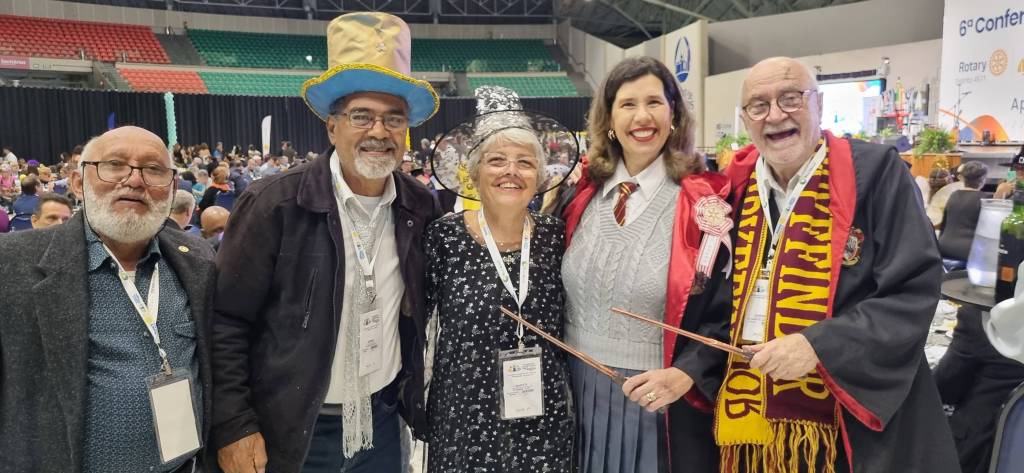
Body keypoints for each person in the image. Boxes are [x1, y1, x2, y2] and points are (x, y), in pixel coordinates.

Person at [211, 12, 442, 473]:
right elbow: (226, 320)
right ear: (332, 127)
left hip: (383, 420)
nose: (379, 132)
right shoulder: (274, 204)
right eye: (362, 116)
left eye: (393, 119)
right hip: (292, 427)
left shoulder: (420, 206)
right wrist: (234, 425)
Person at [717, 57, 958, 472]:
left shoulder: (876, 174)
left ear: (820, 105)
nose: (775, 115)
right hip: (751, 414)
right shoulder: (735, 190)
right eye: (758, 105)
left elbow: (913, 287)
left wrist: (819, 345)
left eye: (790, 98)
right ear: (745, 119)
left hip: (848, 421)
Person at [0, 126, 216, 472]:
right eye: (115, 165)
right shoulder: (12, 263)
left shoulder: (198, 260)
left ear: (172, 187)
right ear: (77, 183)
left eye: (153, 169)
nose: (135, 180)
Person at [561, 56, 734, 473]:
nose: (642, 116)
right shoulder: (579, 197)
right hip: (575, 393)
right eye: (628, 104)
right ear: (609, 119)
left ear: (674, 115)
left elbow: (727, 311)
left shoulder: (705, 205)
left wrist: (687, 373)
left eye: (654, 102)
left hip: (660, 401)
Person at [424, 86, 577, 472]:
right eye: (497, 160)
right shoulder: (444, 237)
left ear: (540, 175)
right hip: (463, 418)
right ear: (475, 172)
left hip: (543, 416)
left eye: (525, 162)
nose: (511, 171)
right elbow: (414, 325)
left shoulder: (556, 237)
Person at [938, 161, 989, 265]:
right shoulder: (985, 199)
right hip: (968, 251)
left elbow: (944, 225)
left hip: (943, 247)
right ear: (983, 179)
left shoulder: (954, 195)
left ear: (963, 178)